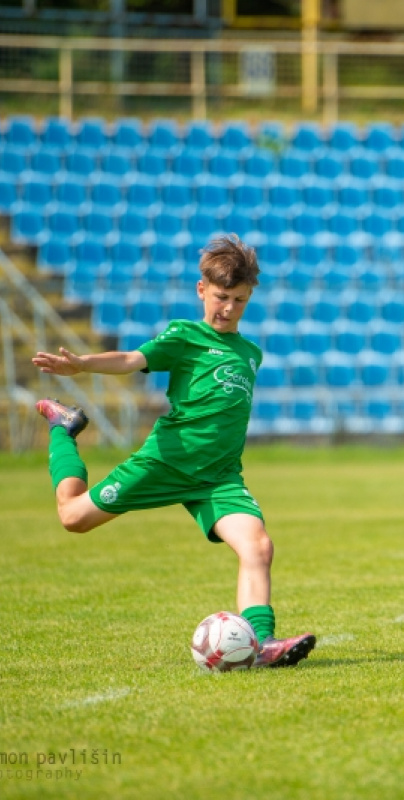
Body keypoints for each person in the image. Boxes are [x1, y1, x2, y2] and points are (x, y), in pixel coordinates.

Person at [31, 234, 315, 668]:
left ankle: (263, 644)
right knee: (73, 517)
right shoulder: (185, 336)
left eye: (239, 300)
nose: (228, 308)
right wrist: (83, 364)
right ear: (202, 290)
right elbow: (131, 359)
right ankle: (64, 428)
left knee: (258, 547)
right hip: (165, 462)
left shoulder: (250, 353)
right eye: (221, 297)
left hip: (219, 477)